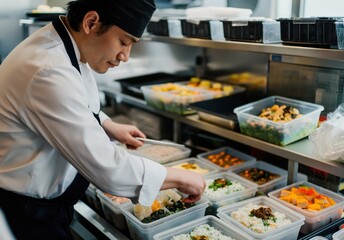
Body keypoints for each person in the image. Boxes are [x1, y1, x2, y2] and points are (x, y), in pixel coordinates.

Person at [0, 0, 206, 239]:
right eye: (123, 41)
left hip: (43, 205)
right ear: (91, 22)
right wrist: (178, 177)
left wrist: (107, 124)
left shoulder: (64, 43)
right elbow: (107, 168)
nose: (125, 56)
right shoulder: (48, 69)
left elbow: (69, 101)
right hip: (27, 215)